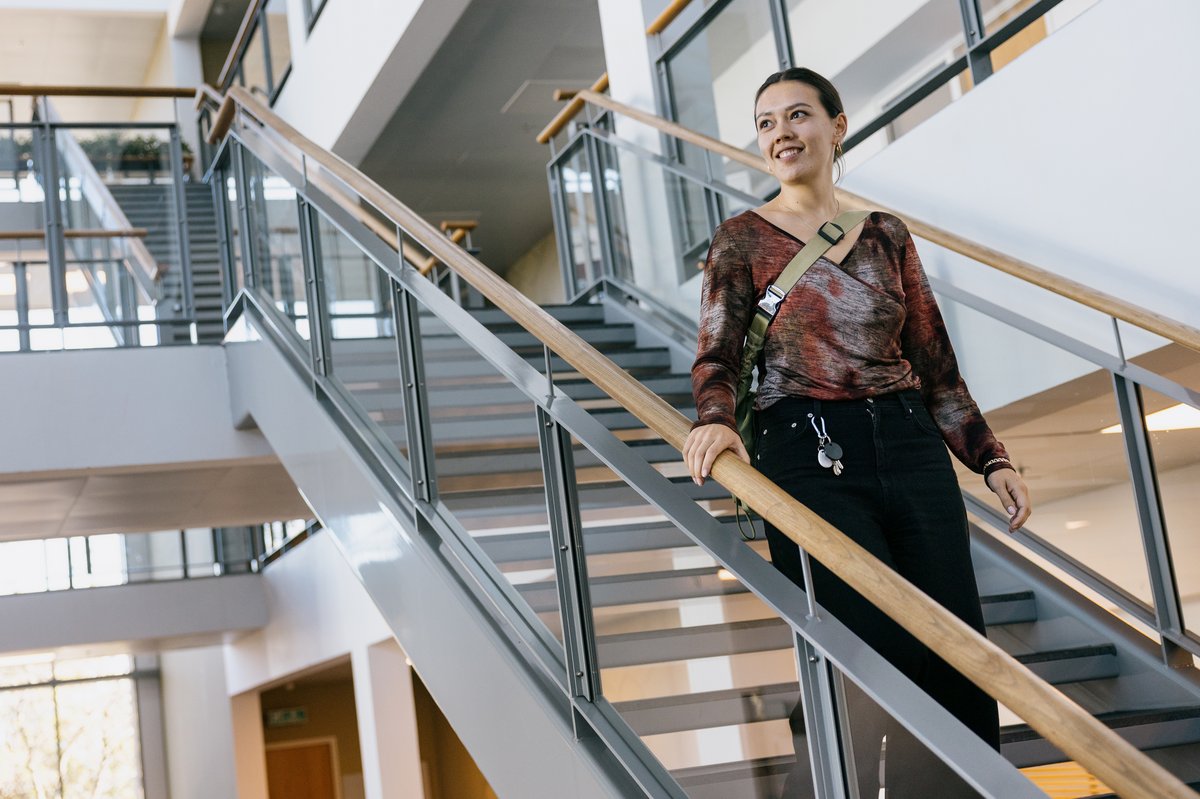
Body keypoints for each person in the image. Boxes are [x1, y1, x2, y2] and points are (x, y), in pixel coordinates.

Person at [682, 67, 1032, 797]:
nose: (783, 133)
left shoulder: (884, 234)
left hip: (910, 444)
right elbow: (716, 353)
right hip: (805, 455)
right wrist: (716, 423)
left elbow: (934, 362)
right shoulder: (741, 238)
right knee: (866, 649)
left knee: (956, 646)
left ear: (837, 127)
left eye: (799, 115)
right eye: (768, 122)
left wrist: (989, 457)